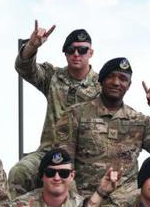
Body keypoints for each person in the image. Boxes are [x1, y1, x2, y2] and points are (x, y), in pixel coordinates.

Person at [53, 57, 150, 199]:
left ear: (129, 85)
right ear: (101, 80)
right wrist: (75, 201)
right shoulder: (75, 114)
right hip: (86, 200)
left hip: (126, 204)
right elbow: (63, 162)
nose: (116, 82)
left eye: (123, 79)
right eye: (111, 77)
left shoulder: (139, 120)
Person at [9, 24, 100, 197]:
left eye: (82, 50)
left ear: (91, 53)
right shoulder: (54, 77)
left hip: (84, 158)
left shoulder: (101, 86)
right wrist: (32, 46)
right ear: (65, 53)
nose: (76, 54)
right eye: (71, 49)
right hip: (48, 152)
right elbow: (24, 68)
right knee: (19, 172)